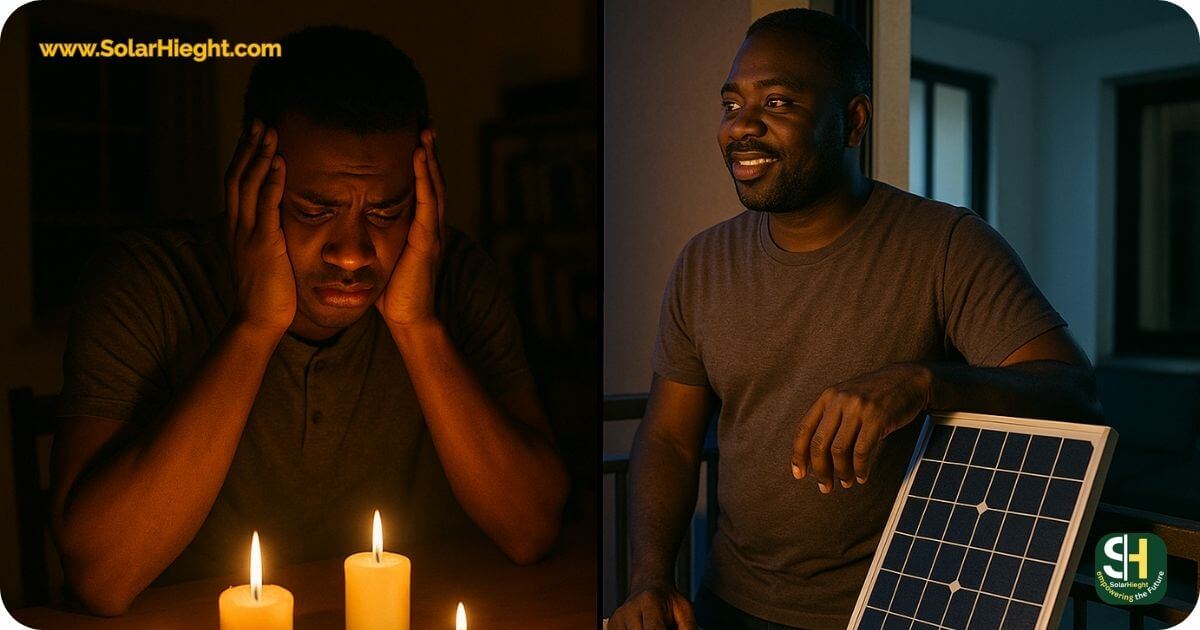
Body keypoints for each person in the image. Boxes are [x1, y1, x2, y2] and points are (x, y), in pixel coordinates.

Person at [48, 26, 569, 616]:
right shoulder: (143, 283)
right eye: (314, 210)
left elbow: (531, 529)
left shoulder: (457, 277)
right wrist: (254, 327)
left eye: (386, 211)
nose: (352, 253)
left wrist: (418, 326)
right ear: (251, 181)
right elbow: (100, 576)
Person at [607, 9, 1101, 630]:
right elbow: (669, 440)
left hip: (895, 609)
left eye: (779, 101)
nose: (743, 126)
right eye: (732, 104)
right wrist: (650, 579)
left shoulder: (946, 244)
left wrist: (920, 384)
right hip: (730, 602)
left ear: (854, 122)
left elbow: (1074, 394)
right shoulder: (702, 261)